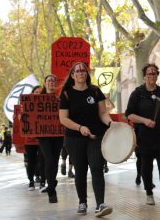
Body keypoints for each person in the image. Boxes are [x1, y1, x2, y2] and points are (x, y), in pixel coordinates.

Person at [59, 62, 114, 217]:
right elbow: (63, 119)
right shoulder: (66, 94)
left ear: (87, 73)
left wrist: (110, 122)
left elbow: (103, 113)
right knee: (81, 170)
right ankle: (82, 202)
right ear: (72, 75)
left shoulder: (95, 91)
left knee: (97, 168)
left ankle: (100, 204)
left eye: (83, 70)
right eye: (77, 71)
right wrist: (80, 127)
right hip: (74, 138)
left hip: (96, 137)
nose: (81, 72)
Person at [125, 63, 160, 208]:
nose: (152, 76)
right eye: (149, 73)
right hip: (144, 138)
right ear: (144, 76)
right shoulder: (137, 93)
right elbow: (129, 114)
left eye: (155, 73)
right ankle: (149, 192)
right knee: (146, 168)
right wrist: (144, 121)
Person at [37, 75, 63, 203]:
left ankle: (51, 182)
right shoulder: (37, 100)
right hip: (43, 135)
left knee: (55, 160)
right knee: (49, 159)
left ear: (56, 84)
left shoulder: (60, 100)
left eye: (53, 80)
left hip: (58, 135)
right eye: (49, 81)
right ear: (45, 83)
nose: (51, 82)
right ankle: (52, 190)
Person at [24, 85, 46, 191]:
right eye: (35, 92)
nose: (37, 94)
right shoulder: (26, 106)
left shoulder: (47, 106)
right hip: (30, 139)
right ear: (32, 94)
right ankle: (31, 181)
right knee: (31, 160)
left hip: (42, 138)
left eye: (39, 92)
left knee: (43, 160)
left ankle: (43, 182)